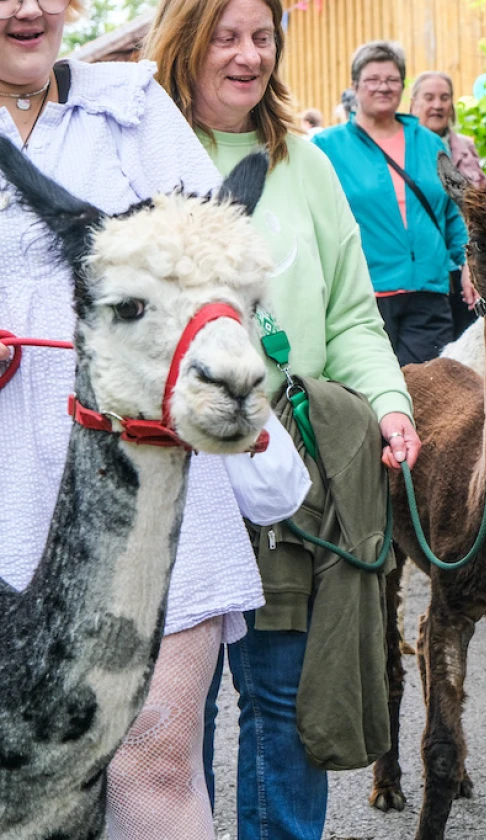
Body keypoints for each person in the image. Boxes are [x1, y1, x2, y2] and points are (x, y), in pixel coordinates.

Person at [0, 1, 295, 838]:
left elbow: (210, 248)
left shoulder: (128, 106)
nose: (26, 8)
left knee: (155, 754)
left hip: (146, 467)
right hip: (8, 470)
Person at [146, 1, 421, 838]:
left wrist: (390, 405)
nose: (247, 55)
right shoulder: (135, 149)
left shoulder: (304, 163)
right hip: (165, 468)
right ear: (184, 41)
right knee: (167, 717)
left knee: (280, 696)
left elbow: (350, 317)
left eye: (261, 38)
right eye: (225, 37)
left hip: (282, 466)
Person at [314, 41, 469, 366]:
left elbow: (453, 212)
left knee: (429, 396)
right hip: (363, 296)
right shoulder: (326, 146)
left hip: (427, 291)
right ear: (355, 86)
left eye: (392, 79)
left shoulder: (428, 141)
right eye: (373, 79)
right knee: (371, 399)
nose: (383, 86)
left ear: (402, 86)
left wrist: (469, 262)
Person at [409, 69, 485, 336]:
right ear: (413, 103)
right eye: (429, 98)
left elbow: (482, 200)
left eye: (445, 98)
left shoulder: (465, 146)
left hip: (467, 263)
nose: (438, 105)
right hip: (429, 270)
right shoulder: (404, 149)